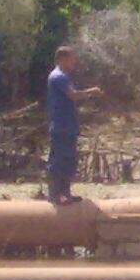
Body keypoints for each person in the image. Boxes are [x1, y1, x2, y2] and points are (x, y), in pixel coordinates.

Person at [46, 46, 101, 205]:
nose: (74, 62)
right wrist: (92, 91)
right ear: (62, 59)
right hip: (61, 125)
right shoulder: (58, 77)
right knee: (59, 159)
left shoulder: (64, 77)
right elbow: (73, 95)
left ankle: (65, 192)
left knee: (69, 159)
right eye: (72, 59)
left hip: (68, 124)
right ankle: (55, 194)